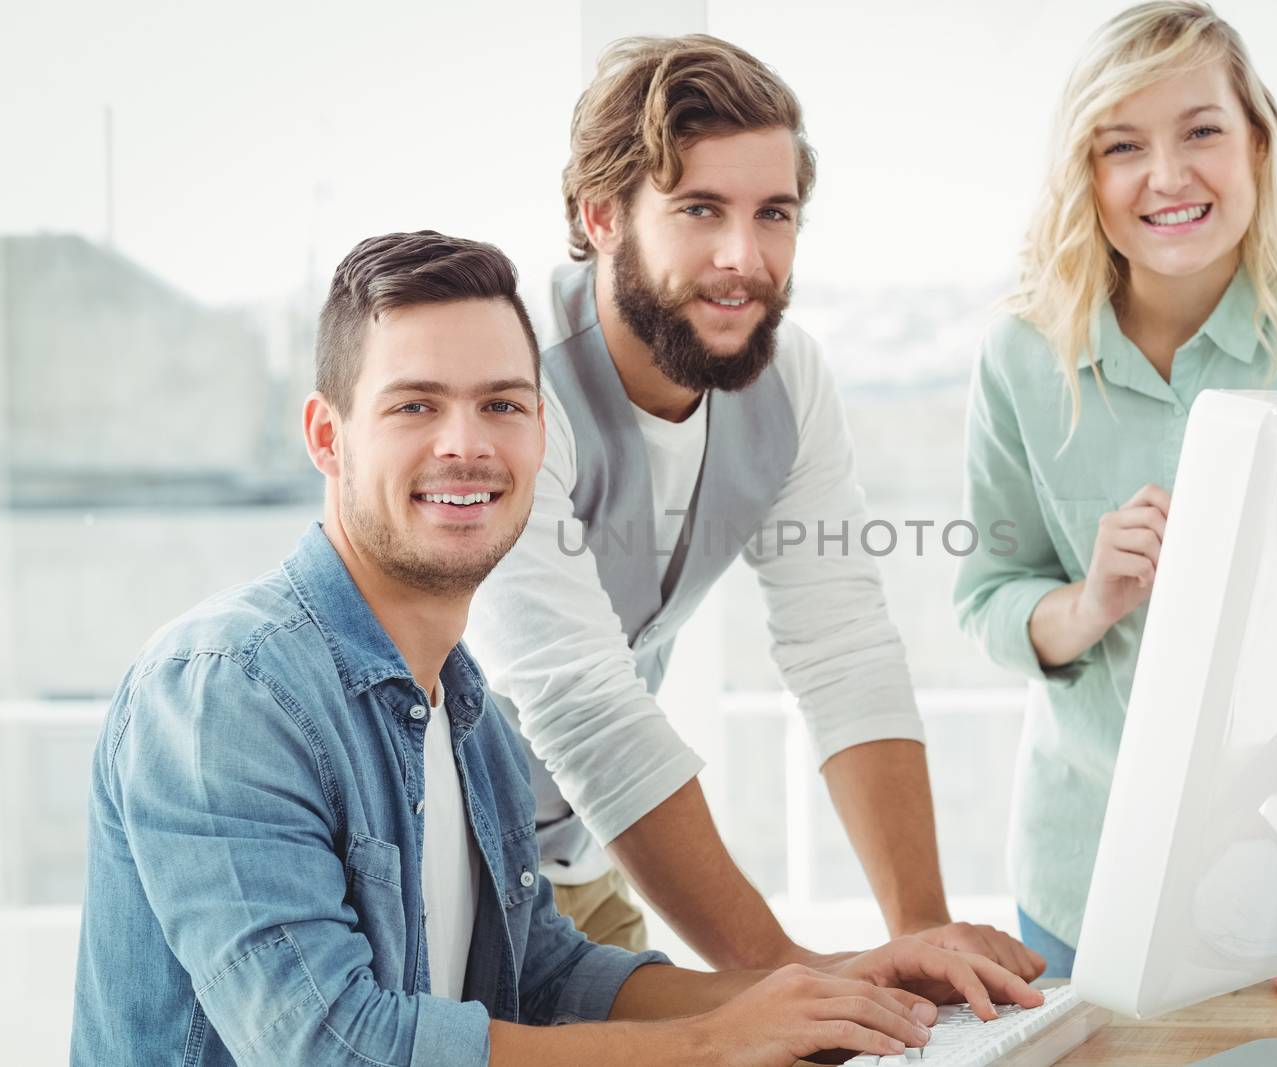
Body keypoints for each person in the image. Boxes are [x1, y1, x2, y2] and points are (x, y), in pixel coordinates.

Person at [69, 230, 1041, 1066]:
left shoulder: (471, 713)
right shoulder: (223, 693)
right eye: (415, 405)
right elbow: (332, 1041)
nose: (467, 443)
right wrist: (712, 1042)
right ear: (327, 435)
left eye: (503, 403)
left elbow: (544, 970)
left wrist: (821, 986)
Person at [464, 34, 1041, 979]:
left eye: (775, 213)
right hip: (440, 873)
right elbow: (581, 702)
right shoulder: (510, 379)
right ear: (602, 215)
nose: (745, 257)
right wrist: (783, 971)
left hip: (589, 867)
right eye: (700, 210)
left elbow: (843, 647)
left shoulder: (788, 381)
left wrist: (923, 936)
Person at [953, 0, 1277, 1003]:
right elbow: (986, 592)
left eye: (1200, 131)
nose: (1165, 176)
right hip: (1090, 876)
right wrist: (1089, 602)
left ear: (1255, 140)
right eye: (1123, 145)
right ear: (1086, 172)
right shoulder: (1021, 352)